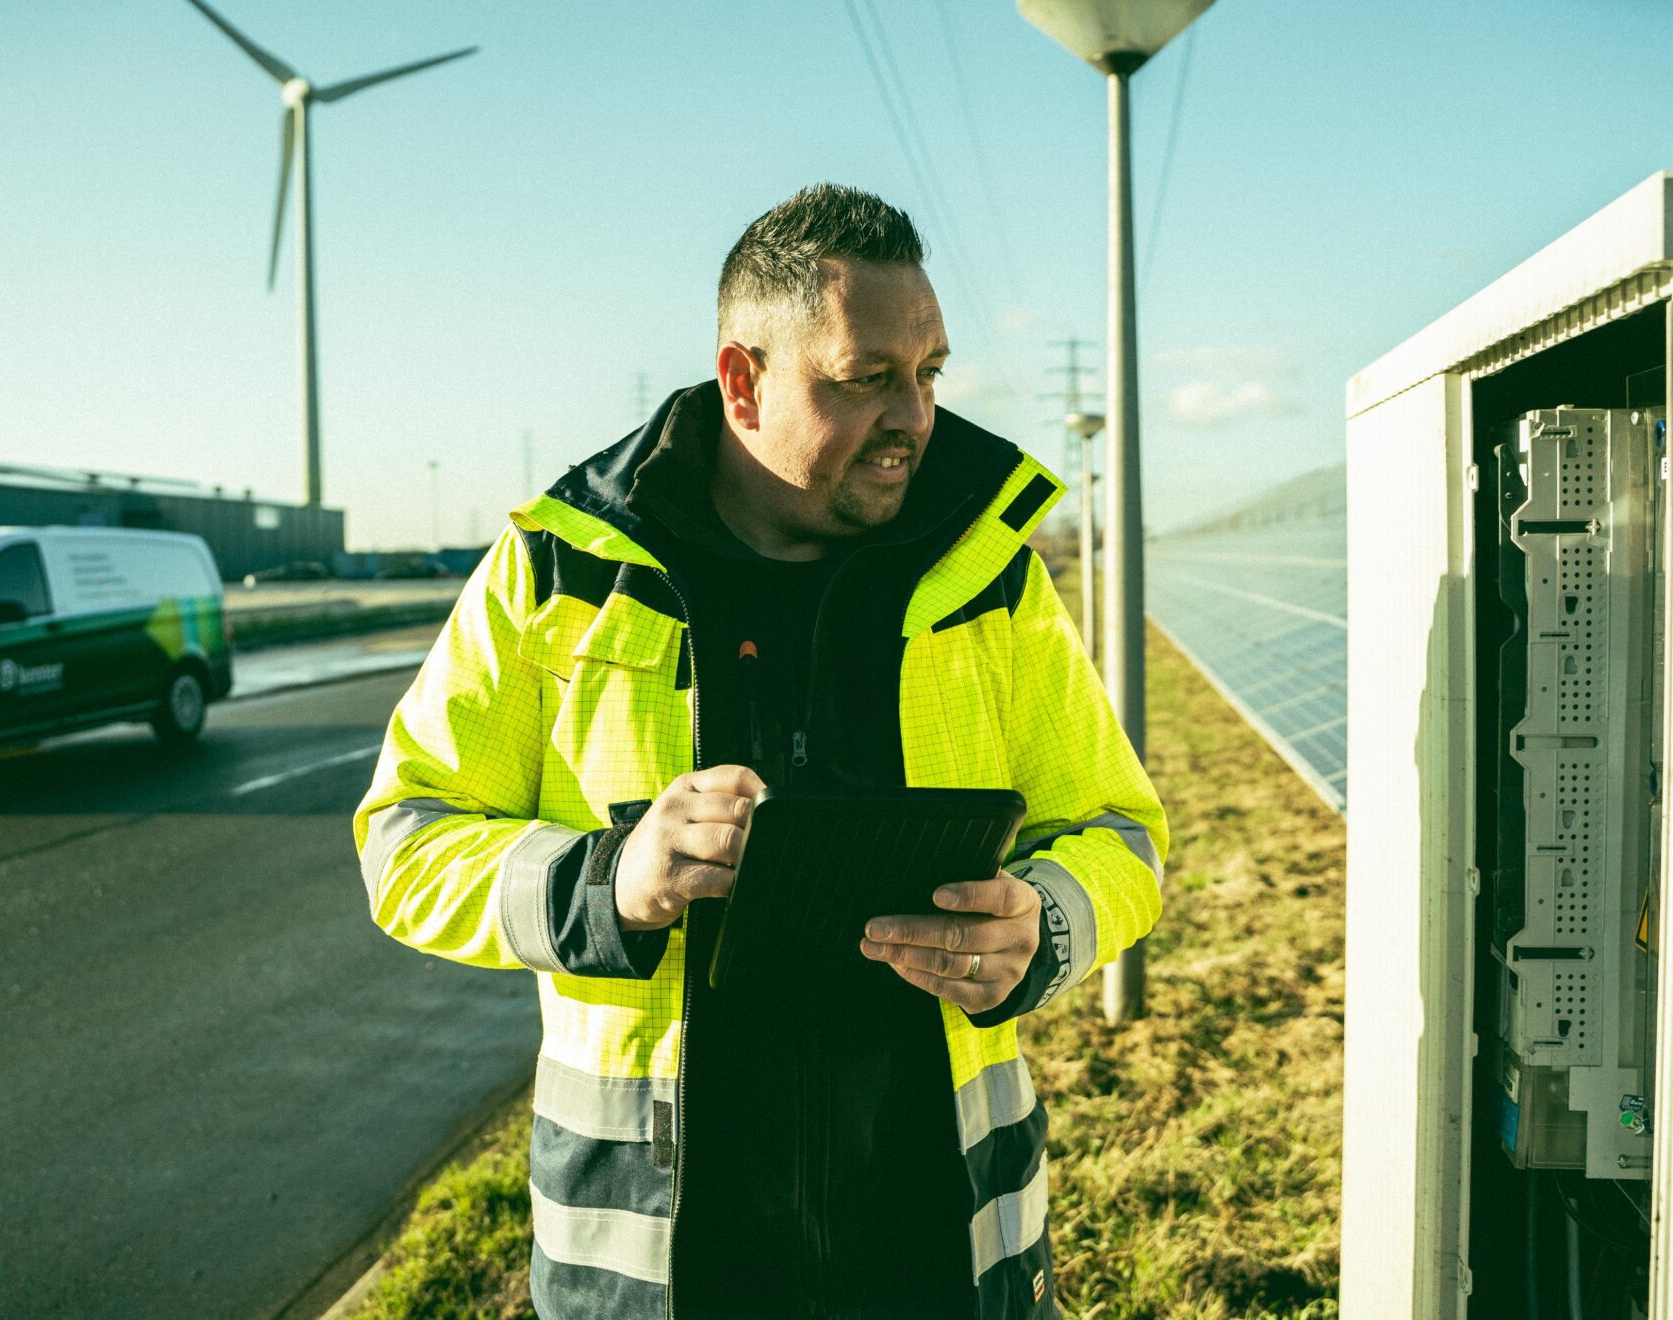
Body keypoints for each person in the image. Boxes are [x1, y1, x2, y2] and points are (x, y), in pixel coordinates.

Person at [354, 183, 1167, 1319]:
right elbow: (405, 842)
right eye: (866, 378)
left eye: (929, 373)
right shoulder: (557, 573)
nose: (915, 419)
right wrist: (610, 879)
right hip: (658, 1257)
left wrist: (1043, 925)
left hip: (939, 1237)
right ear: (743, 381)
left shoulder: (994, 578)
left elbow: (1124, 834)